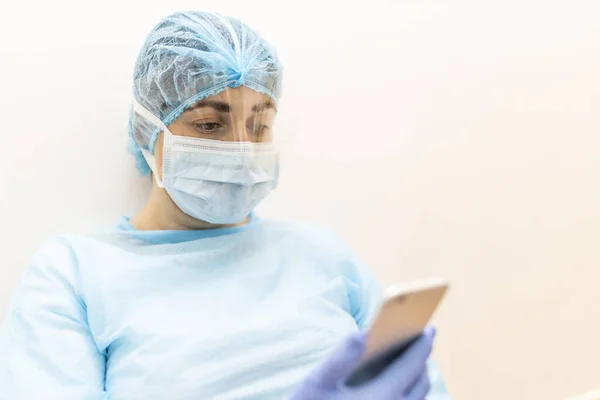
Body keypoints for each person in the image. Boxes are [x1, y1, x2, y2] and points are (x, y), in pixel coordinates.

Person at [0, 11, 450, 400]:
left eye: (259, 125)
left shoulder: (324, 254)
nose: (242, 149)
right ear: (147, 130)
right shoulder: (73, 273)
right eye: (210, 124)